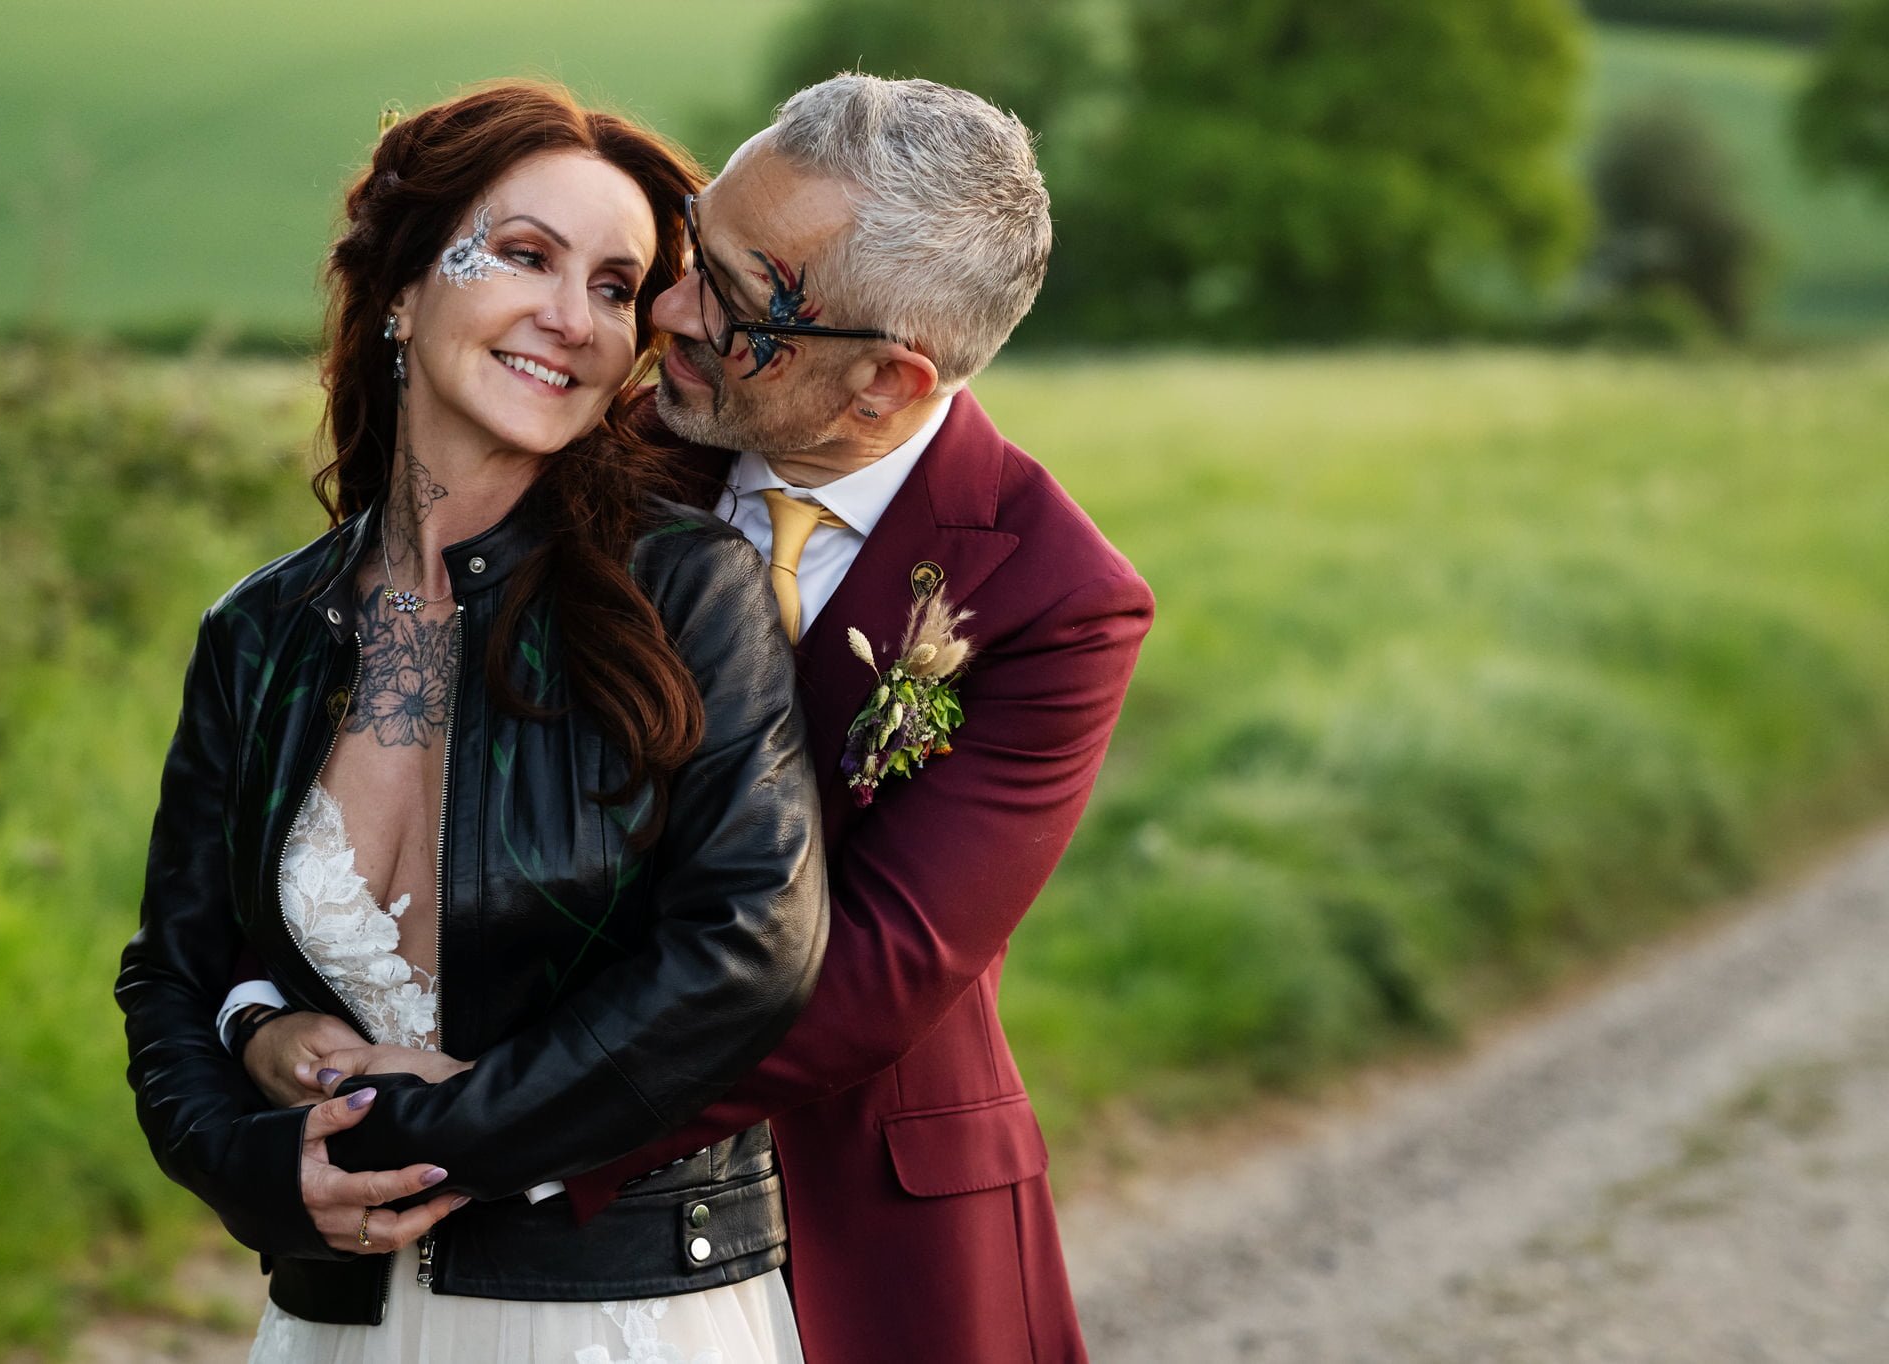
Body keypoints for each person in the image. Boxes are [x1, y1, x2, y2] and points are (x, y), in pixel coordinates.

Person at [246, 74, 1155, 1363]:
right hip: (543, 1249)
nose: (665, 306)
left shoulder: (1053, 594)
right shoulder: (594, 447)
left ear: (884, 385)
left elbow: (875, 965)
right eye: (689, 238)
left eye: (725, 294)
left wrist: (507, 1118)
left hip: (866, 1218)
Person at [114, 80, 829, 1364]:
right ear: (401, 285)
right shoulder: (258, 632)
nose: (571, 317)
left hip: (620, 1312)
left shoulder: (688, 591)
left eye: (616, 287)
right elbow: (174, 968)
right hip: (335, 1316)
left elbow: (748, 945)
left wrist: (441, 1125)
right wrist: (258, 1161)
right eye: (523, 255)